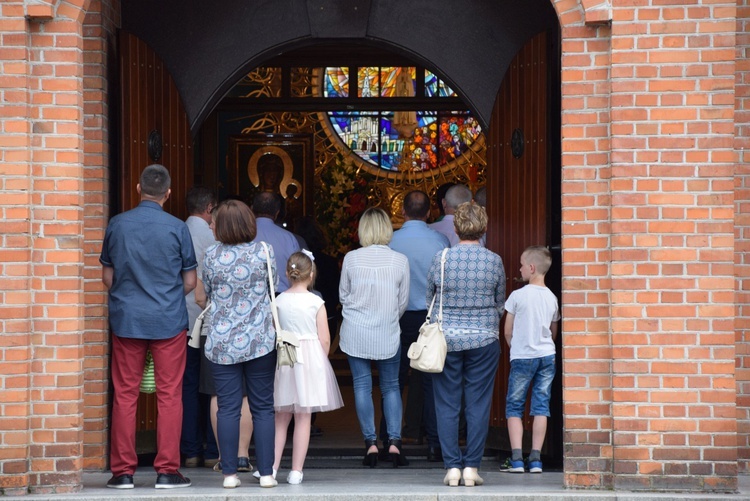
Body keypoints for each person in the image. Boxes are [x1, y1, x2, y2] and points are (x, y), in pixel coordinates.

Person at [100, 164, 197, 489]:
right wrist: (166, 296)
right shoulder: (177, 228)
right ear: (168, 194)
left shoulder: (118, 224)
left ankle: (123, 472)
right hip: (168, 321)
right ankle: (167, 471)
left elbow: (107, 277)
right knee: (170, 395)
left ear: (139, 190)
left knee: (125, 395)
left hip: (127, 320)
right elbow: (190, 280)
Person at [196, 199, 277, 489]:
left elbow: (205, 292)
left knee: (228, 407)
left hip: (221, 341)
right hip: (260, 340)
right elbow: (272, 285)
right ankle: (266, 473)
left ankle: (229, 474)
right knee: (263, 407)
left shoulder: (212, 255)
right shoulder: (264, 251)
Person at [427, 201, 505, 487]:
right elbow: (500, 303)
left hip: (446, 339)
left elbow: (430, 299)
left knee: (446, 403)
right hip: (483, 339)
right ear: (483, 227)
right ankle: (472, 466)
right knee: (478, 404)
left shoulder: (442, 258)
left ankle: (452, 468)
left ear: (457, 227)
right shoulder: (494, 260)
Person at [339, 208, 410, 468]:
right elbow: (402, 303)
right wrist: (386, 315)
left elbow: (343, 296)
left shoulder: (351, 259)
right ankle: (394, 443)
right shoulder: (400, 260)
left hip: (356, 330)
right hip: (387, 330)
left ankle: (370, 444)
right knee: (391, 386)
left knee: (361, 386)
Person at [270, 251, 344, 484]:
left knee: (280, 417)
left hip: (285, 358)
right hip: (310, 359)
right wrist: (320, 362)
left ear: (287, 273)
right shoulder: (316, 302)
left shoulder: (278, 301)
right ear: (311, 274)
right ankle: (296, 471)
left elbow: (274, 332)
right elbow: (324, 339)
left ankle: (271, 468)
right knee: (303, 416)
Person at [386, 190, 449, 461]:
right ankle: (435, 444)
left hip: (397, 317)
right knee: (431, 381)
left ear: (402, 211)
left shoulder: (390, 240)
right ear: (428, 213)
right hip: (430, 317)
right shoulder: (440, 240)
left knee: (394, 381)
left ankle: (390, 440)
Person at [501, 246, 560, 474]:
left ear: (532, 268)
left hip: (523, 357)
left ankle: (516, 459)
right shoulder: (552, 297)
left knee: (514, 406)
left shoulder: (517, 295)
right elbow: (553, 331)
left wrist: (515, 347)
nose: (519, 268)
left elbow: (508, 330)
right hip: (546, 357)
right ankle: (536, 459)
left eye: (522, 264)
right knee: (541, 406)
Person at [181, 187, 217, 468]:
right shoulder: (215, 235)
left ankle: (191, 450)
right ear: (209, 209)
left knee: (188, 386)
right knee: (216, 387)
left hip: (183, 320)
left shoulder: (178, 231)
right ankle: (215, 450)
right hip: (210, 321)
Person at [252, 191, 300, 293]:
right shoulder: (289, 238)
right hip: (282, 299)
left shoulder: (243, 235)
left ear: (252, 209)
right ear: (277, 212)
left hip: (251, 299)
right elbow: (298, 271)